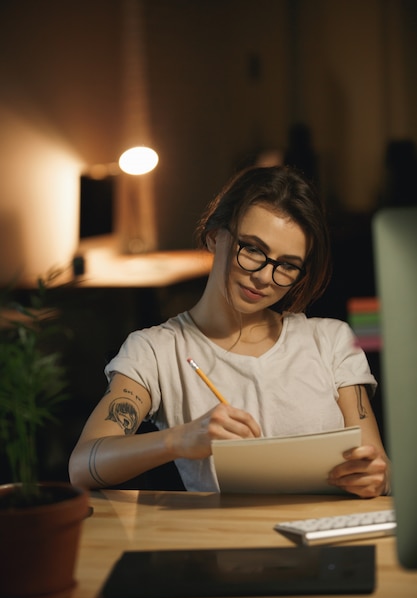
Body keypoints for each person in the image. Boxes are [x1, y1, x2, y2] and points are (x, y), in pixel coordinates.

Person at [69, 165, 390, 498]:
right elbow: (82, 466)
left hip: (329, 541)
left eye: (288, 265)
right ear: (214, 235)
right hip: (226, 542)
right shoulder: (156, 350)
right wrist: (179, 439)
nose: (265, 277)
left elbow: (380, 468)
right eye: (252, 250)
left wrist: (375, 477)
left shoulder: (331, 342)